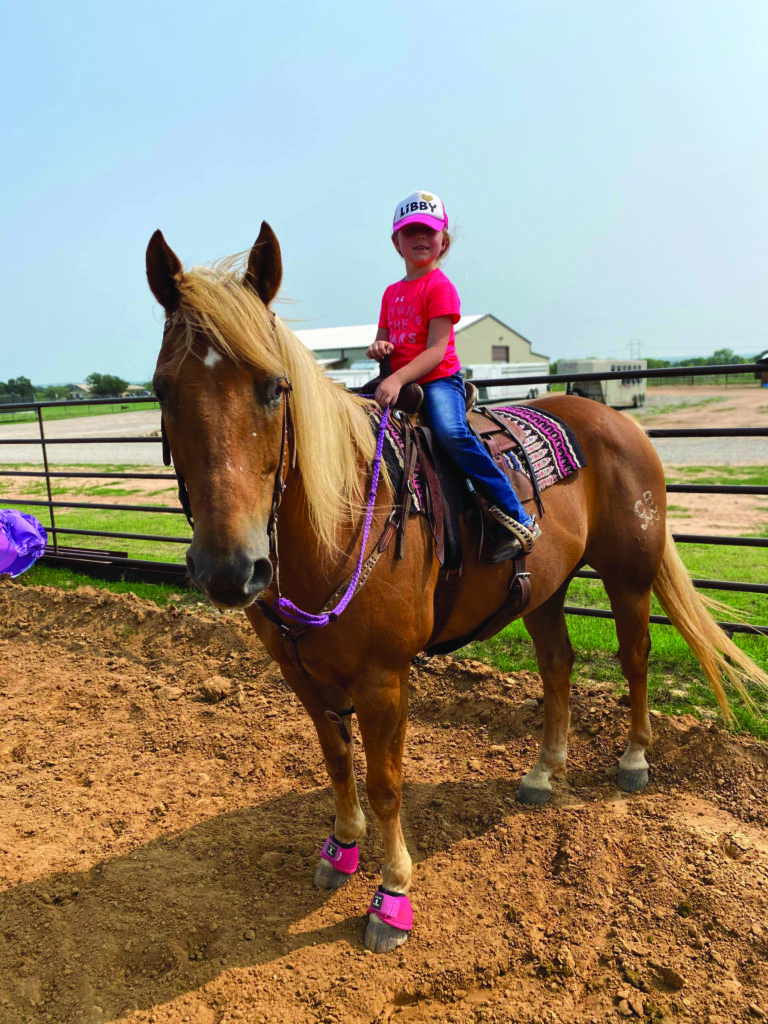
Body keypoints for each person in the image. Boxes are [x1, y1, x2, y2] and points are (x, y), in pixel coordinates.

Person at [367, 190, 540, 562]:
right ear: (396, 242)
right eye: (410, 232)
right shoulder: (391, 293)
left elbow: (436, 351)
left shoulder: (439, 287)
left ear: (443, 241)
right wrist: (379, 348)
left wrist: (396, 380)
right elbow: (385, 337)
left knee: (451, 432)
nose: (418, 239)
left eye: (427, 232)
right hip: (402, 379)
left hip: (438, 380)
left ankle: (517, 514)